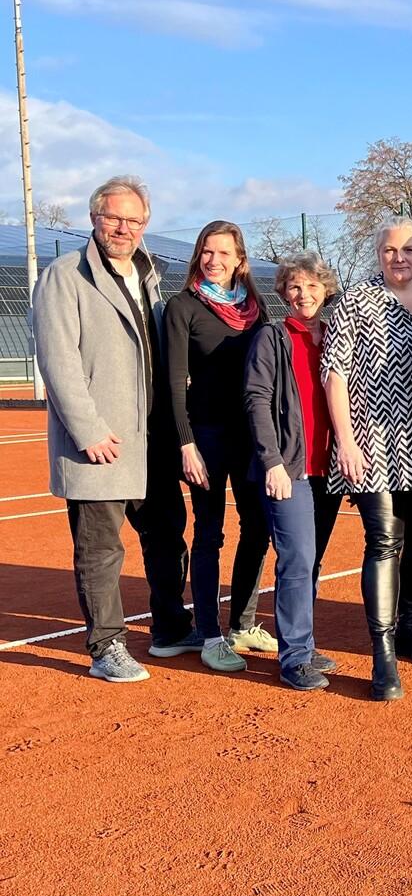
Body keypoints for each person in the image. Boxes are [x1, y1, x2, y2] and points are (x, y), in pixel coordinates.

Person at [32, 175, 197, 681]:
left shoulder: (149, 275)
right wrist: (88, 432)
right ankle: (107, 647)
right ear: (94, 219)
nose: (123, 228)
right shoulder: (65, 275)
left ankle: (170, 625)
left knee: (168, 536)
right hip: (101, 442)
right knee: (101, 550)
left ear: (145, 225)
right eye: (113, 217)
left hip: (151, 440)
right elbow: (58, 360)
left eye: (133, 220)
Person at [323, 218, 412, 701]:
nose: (398, 257)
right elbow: (334, 373)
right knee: (384, 540)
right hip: (372, 441)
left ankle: (409, 627)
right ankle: (382, 654)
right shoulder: (355, 302)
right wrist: (345, 439)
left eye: (409, 249)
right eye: (388, 249)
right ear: (377, 253)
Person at [164, 221, 271, 673]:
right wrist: (186, 443)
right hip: (204, 436)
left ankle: (243, 622)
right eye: (207, 251)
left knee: (259, 528)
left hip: (250, 437)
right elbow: (172, 382)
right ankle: (209, 634)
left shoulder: (256, 307)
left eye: (224, 253)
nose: (214, 260)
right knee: (209, 533)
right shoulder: (182, 306)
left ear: (239, 260)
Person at [243, 253, 344, 692]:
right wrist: (272, 462)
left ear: (325, 290)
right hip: (289, 469)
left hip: (330, 469)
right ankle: (295, 658)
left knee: (312, 560)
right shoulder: (272, 337)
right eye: (294, 287)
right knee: (297, 560)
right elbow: (256, 400)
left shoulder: (337, 337)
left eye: (311, 286)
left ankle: (303, 644)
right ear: (284, 292)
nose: (303, 294)